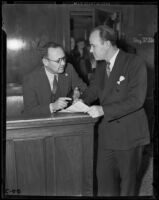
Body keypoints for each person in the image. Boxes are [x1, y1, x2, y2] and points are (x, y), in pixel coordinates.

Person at [81, 25, 150, 196]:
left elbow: (136, 101)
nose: (90, 50)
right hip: (106, 136)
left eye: (93, 45)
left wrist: (103, 110)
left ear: (107, 44)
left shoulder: (134, 63)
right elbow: (93, 90)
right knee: (104, 185)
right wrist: (78, 102)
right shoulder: (100, 67)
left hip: (129, 135)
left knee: (127, 187)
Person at [23, 42, 87, 117]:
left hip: (65, 119)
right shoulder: (31, 79)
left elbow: (84, 89)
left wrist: (79, 94)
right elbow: (29, 111)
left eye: (63, 58)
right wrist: (52, 106)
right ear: (45, 62)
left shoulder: (69, 69)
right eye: (58, 61)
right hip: (41, 122)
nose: (63, 63)